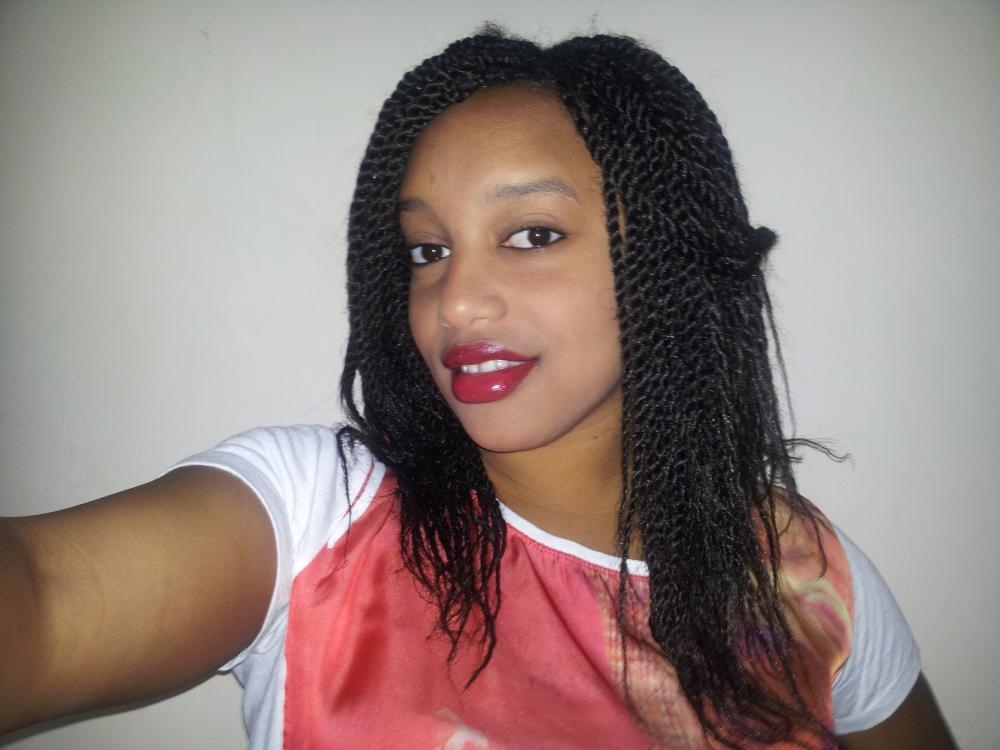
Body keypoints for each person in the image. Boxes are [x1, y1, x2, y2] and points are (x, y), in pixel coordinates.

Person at [0, 31, 956, 749]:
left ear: (664, 259)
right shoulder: (319, 517)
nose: (454, 301)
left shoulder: (803, 577)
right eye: (427, 249)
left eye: (532, 235)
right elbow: (41, 602)